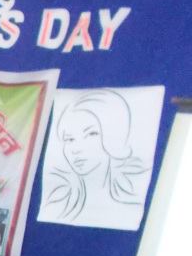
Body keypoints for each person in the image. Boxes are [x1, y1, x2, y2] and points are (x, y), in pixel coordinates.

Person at [45, 90, 148, 222]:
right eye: (69, 139)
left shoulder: (130, 208)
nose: (76, 149)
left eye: (91, 135)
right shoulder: (56, 205)